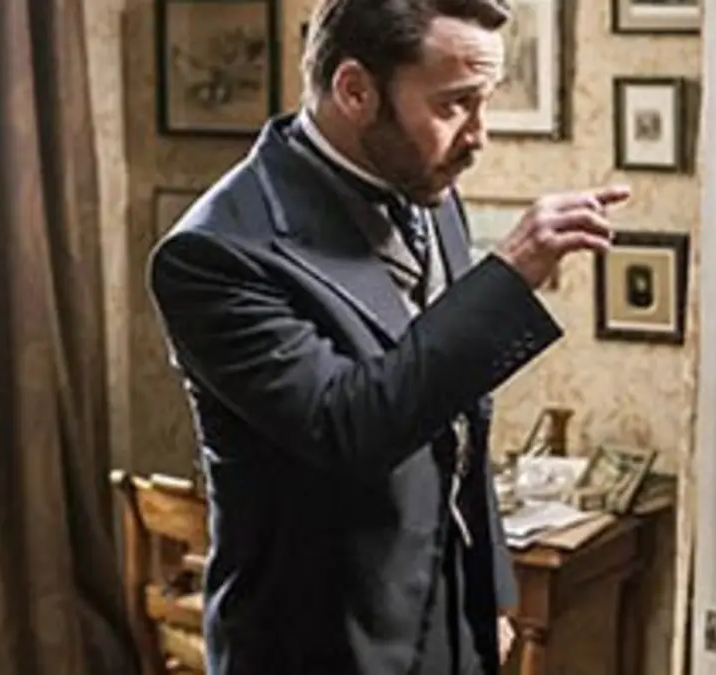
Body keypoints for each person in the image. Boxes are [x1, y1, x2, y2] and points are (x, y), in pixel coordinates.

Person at [146, 1, 629, 674]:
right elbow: (349, 425)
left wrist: (488, 593)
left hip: (451, 626)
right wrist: (511, 273)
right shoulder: (214, 254)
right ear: (354, 90)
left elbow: (462, 421)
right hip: (317, 646)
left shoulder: (431, 188)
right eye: (455, 103)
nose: (479, 136)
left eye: (485, 101)